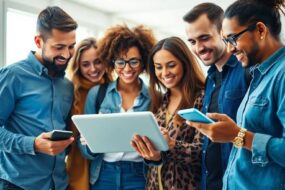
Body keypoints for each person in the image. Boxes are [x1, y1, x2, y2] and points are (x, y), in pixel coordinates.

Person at [189, 0, 285, 189]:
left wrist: (238, 136)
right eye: (226, 41)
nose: (230, 48)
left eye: (233, 39)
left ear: (260, 30)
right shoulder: (259, 74)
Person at [0, 6, 77, 190]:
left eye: (71, 46)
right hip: (17, 185)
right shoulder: (12, 76)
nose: (66, 55)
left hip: (58, 184)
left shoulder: (67, 86)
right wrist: (33, 144)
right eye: (59, 47)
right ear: (38, 41)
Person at [78, 24, 156, 190]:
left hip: (139, 175)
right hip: (103, 174)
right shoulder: (97, 94)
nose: (127, 68)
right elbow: (84, 149)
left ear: (143, 63)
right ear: (112, 62)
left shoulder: (155, 97)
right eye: (121, 62)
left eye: (134, 61)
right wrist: (89, 144)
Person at [182, 3, 249, 189]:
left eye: (204, 38)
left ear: (223, 33)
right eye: (192, 42)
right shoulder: (209, 79)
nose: (199, 48)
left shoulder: (247, 70)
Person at [131, 36, 205, 190]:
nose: (164, 73)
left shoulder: (201, 99)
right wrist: (153, 156)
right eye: (158, 67)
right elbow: (158, 158)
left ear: (185, 64)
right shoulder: (160, 101)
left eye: (171, 65)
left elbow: (203, 152)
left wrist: (171, 145)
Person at [66, 37, 113, 190]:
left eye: (98, 61)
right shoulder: (71, 92)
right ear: (78, 66)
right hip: (79, 164)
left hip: (108, 165)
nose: (93, 69)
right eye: (85, 64)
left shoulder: (114, 90)